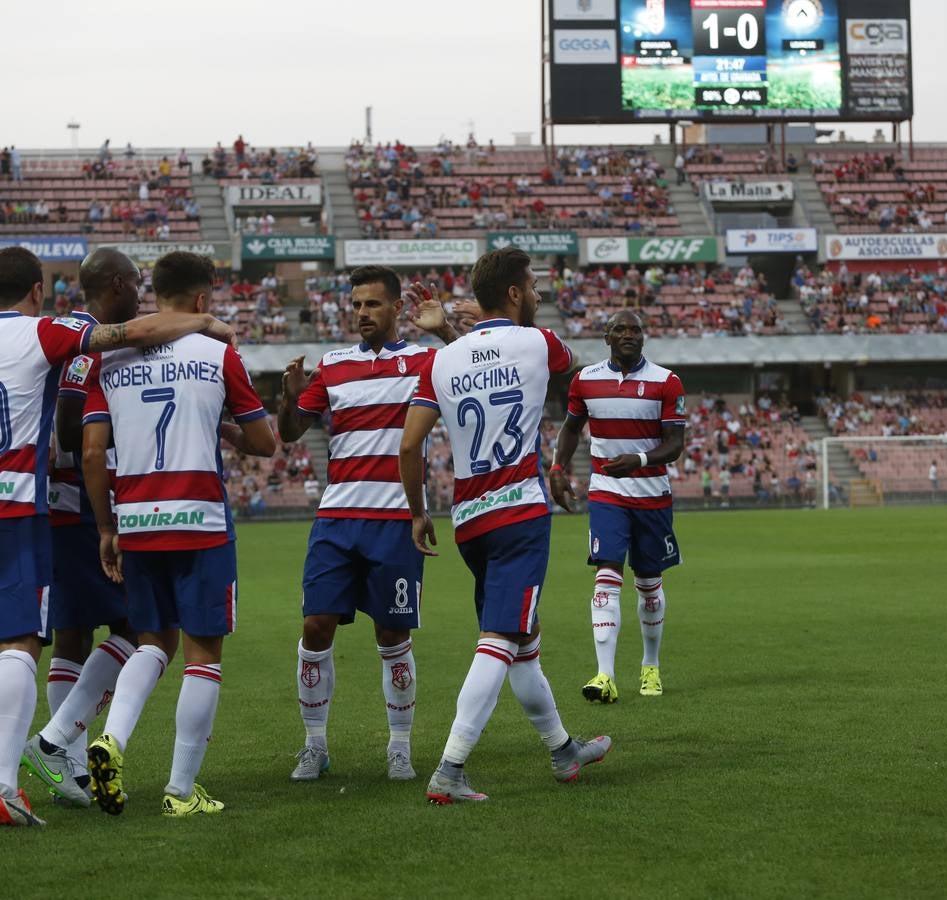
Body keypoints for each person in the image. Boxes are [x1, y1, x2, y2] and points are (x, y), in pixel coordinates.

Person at [0, 246, 235, 827]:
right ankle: (34, 758)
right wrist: (201, 323)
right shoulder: (60, 334)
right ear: (39, 290)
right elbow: (75, 421)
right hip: (30, 503)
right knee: (73, 635)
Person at [399, 247, 610, 804]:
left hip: (469, 520)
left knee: (522, 641)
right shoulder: (539, 341)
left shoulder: (439, 361)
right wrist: (480, 320)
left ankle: (564, 750)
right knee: (500, 639)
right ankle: (450, 767)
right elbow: (555, 363)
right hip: (519, 512)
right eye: (532, 286)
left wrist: (419, 511)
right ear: (515, 294)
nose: (538, 294)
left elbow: (409, 442)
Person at [81, 252, 276, 818]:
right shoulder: (217, 352)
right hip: (200, 518)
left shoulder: (109, 359)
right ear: (201, 300)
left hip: (138, 518)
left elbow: (93, 451)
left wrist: (106, 526)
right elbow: (264, 442)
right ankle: (180, 789)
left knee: (151, 642)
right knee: (203, 655)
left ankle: (110, 740)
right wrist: (222, 427)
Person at [277, 267, 463, 782]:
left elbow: (483, 360)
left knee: (392, 634)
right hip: (337, 518)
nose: (362, 313)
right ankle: (314, 744)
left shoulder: (428, 361)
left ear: (396, 307)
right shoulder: (333, 366)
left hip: (396, 521)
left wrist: (444, 329)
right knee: (316, 627)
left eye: (373, 305)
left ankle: (399, 746)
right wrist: (289, 396)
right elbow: (292, 433)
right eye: (356, 304)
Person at [19, 249, 144, 808]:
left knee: (73, 633)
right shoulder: (87, 338)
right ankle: (55, 742)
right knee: (138, 626)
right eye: (137, 282)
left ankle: (64, 765)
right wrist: (131, 434)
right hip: (76, 508)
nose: (141, 290)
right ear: (118, 284)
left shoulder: (67, 331)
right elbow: (72, 426)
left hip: (58, 506)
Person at [551, 310, 685, 702]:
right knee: (606, 576)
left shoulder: (666, 381)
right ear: (606, 337)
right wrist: (558, 466)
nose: (629, 334)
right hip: (607, 491)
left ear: (644, 338)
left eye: (636, 330)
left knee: (648, 585)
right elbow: (571, 429)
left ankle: (650, 665)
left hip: (651, 494)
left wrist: (639, 460)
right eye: (621, 329)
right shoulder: (585, 381)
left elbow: (675, 444)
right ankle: (604, 675)